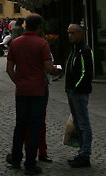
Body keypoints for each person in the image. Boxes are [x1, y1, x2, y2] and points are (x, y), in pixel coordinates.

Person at [6, 14, 57, 174]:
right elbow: (48, 67)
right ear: (39, 27)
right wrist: (57, 70)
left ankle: (15, 158)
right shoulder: (42, 43)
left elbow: (9, 69)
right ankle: (30, 163)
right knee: (35, 126)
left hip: (21, 90)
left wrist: (19, 82)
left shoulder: (15, 43)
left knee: (20, 125)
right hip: (38, 90)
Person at [65, 23, 94, 168]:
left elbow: (86, 72)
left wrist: (76, 87)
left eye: (73, 33)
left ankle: (85, 154)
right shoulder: (74, 50)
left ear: (80, 34)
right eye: (68, 33)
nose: (70, 36)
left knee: (83, 123)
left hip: (79, 92)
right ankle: (82, 151)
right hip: (72, 91)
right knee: (77, 122)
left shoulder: (84, 51)